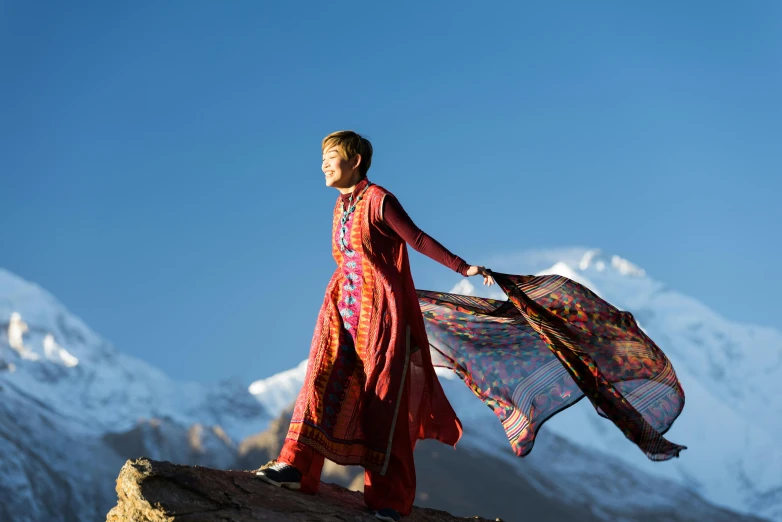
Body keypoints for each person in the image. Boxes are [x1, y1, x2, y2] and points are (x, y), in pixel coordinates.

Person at [256, 130, 494, 521]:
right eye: (322, 159)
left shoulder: (379, 199)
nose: (324, 165)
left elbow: (415, 238)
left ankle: (388, 500)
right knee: (320, 379)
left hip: (380, 310)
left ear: (355, 161)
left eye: (331, 157)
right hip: (340, 307)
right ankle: (296, 468)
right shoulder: (338, 207)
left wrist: (462, 266)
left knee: (382, 398)